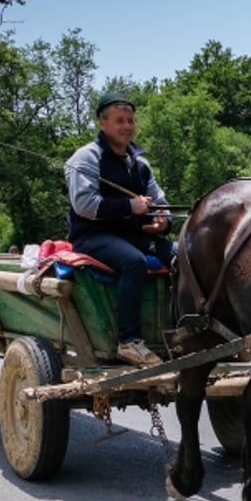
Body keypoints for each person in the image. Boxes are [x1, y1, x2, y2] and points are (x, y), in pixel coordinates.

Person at [65, 91, 177, 367]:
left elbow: (159, 202)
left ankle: (184, 330)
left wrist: (163, 219)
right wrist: (129, 207)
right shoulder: (86, 158)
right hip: (92, 237)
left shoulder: (140, 164)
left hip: (133, 236)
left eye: (130, 120)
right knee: (134, 262)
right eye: (119, 121)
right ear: (103, 124)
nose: (127, 126)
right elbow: (84, 205)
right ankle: (129, 342)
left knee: (182, 255)